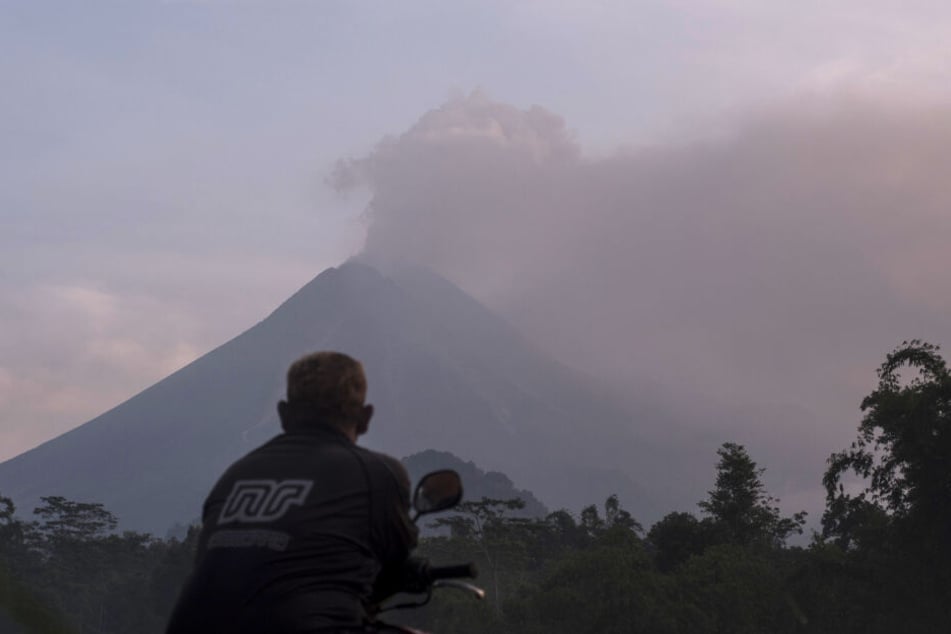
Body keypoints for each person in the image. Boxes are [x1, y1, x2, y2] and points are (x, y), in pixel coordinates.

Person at [166, 351, 418, 634]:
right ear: (365, 417)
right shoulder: (377, 472)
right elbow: (393, 563)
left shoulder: (235, 474)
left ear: (284, 414)